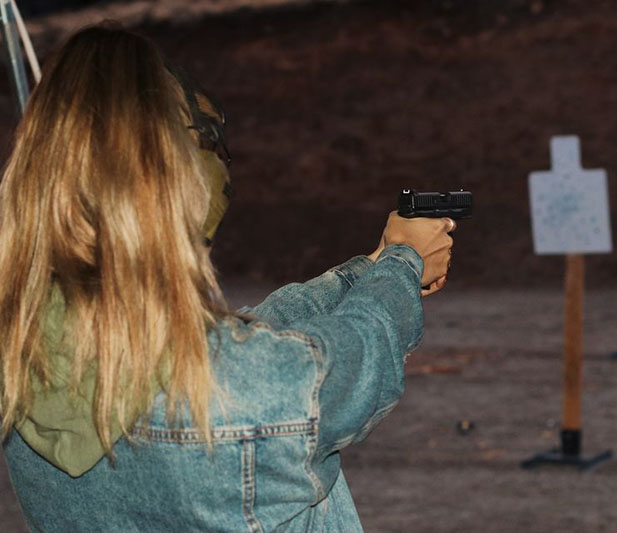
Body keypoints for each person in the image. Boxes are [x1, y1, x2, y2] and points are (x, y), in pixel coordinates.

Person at [0, 24, 454, 531]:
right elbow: (353, 360)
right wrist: (403, 262)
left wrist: (366, 269)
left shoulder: (24, 353)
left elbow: (246, 338)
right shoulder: (235, 389)